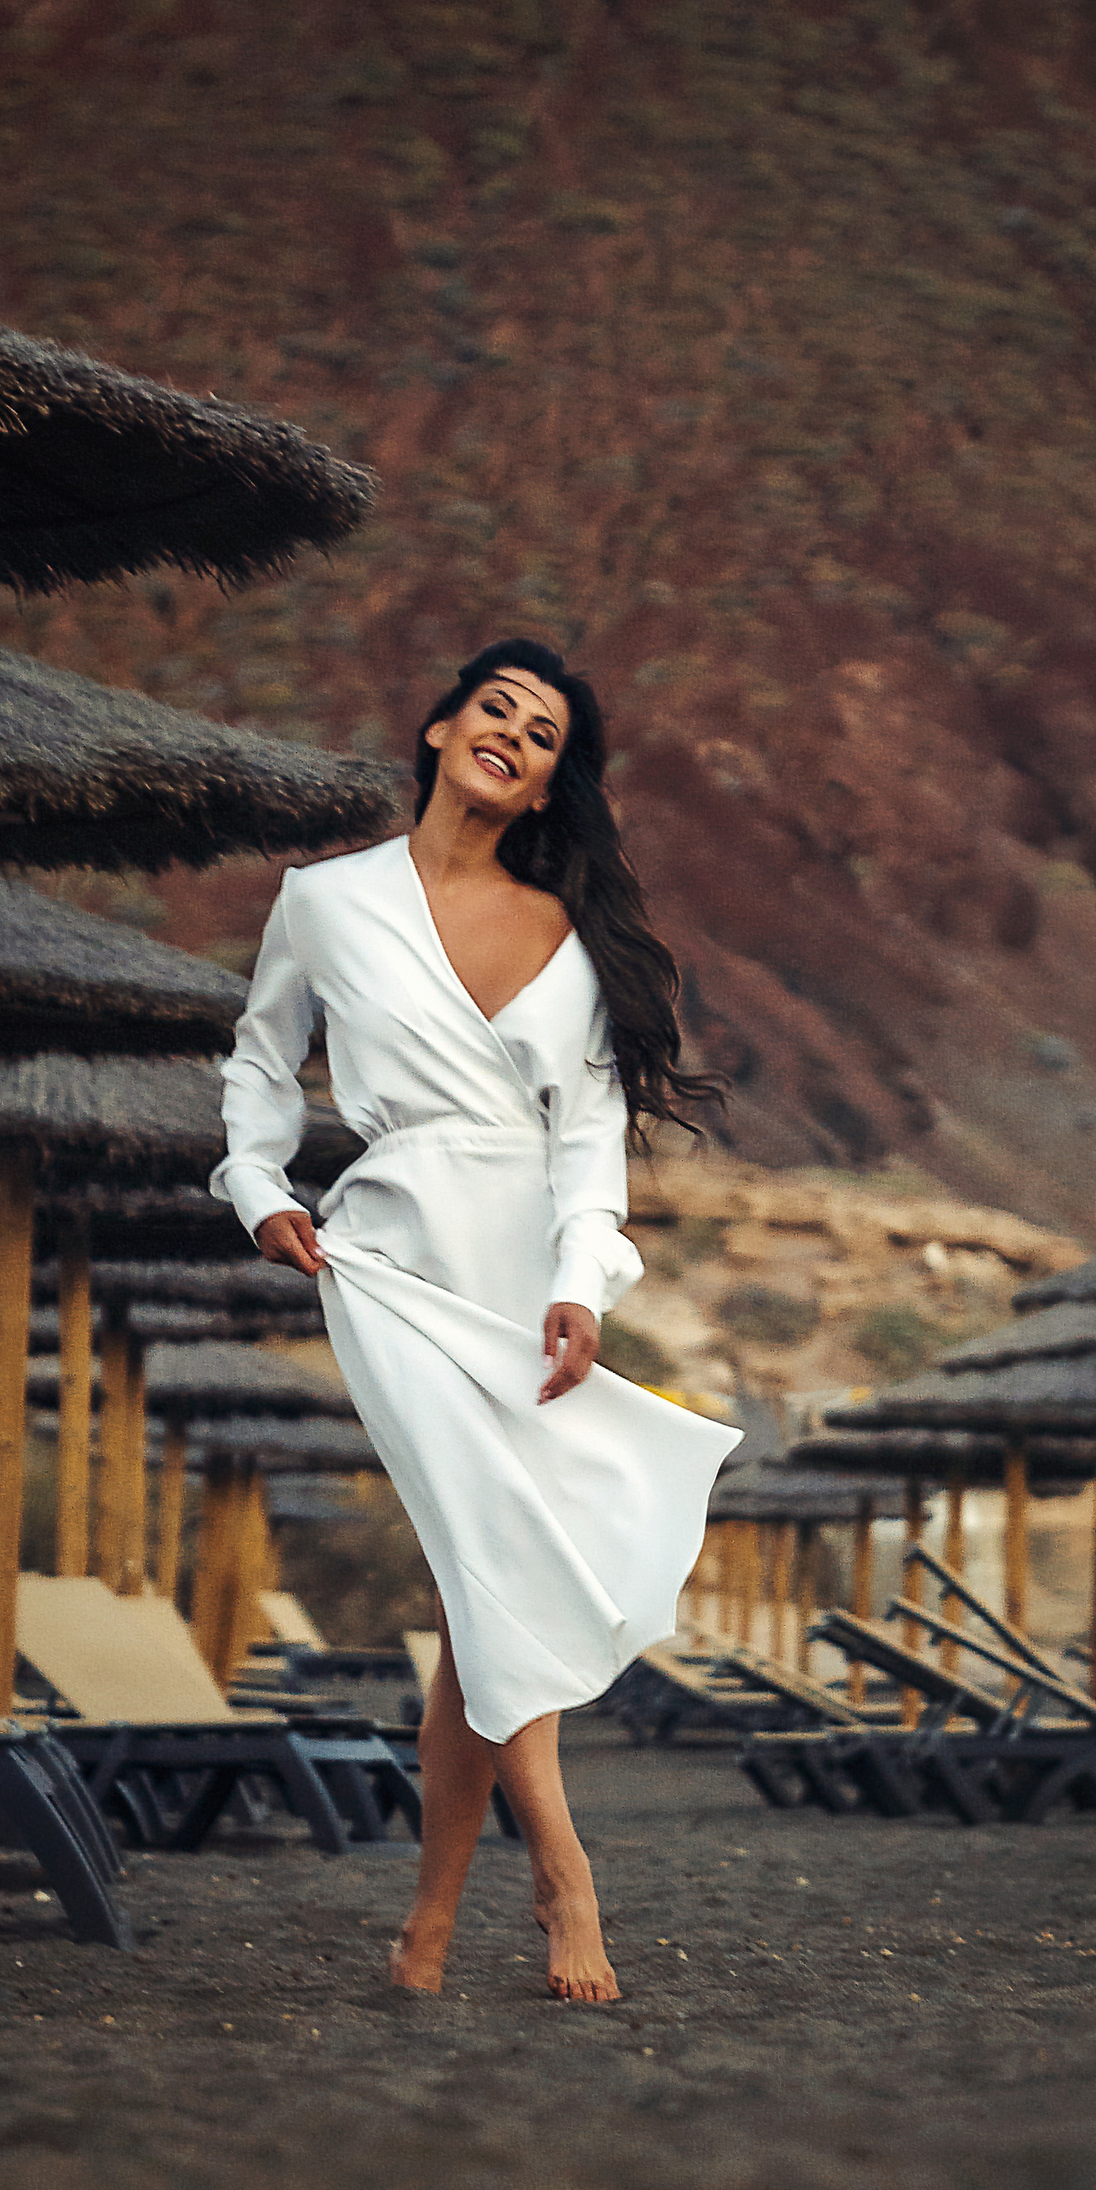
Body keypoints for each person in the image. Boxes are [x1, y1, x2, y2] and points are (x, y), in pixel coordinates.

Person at [213, 637, 739, 2003]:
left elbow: (585, 1140)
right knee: (488, 1559)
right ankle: (564, 1868)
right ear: (442, 730)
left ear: (549, 783)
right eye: (495, 709)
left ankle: (429, 1922)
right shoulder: (323, 901)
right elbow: (264, 1057)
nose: (514, 732)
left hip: (522, 1275)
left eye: (545, 731)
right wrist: (256, 1183)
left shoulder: (566, 938)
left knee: (475, 1587)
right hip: (387, 1260)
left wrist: (583, 1279)